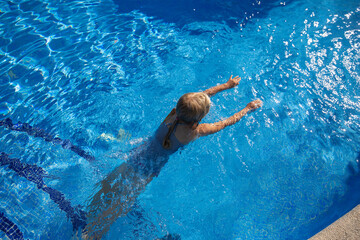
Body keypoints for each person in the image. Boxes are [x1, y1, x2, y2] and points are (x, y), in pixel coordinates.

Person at [83, 76, 262, 239]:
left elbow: (203, 94)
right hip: (148, 171)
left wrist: (226, 85)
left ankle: (86, 215)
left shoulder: (173, 115)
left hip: (137, 153)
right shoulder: (195, 131)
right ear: (195, 122)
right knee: (121, 206)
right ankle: (91, 236)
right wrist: (247, 108)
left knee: (108, 184)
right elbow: (223, 123)